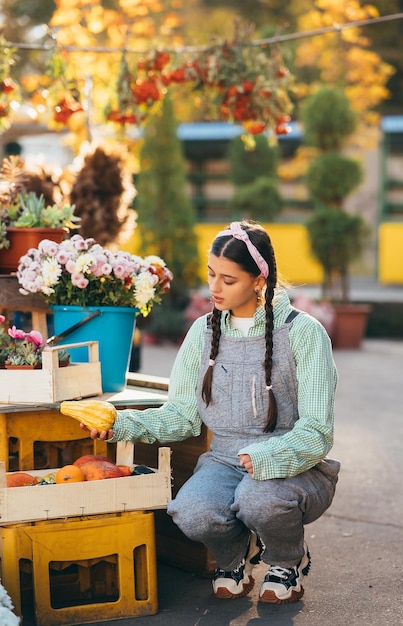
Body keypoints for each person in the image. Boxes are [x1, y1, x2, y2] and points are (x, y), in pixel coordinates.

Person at [86, 220, 340, 604]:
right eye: (211, 275)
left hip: (295, 465)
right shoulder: (202, 332)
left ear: (258, 280)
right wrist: (122, 424)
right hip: (222, 462)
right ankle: (233, 560)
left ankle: (287, 560)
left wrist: (264, 456)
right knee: (190, 512)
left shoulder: (303, 333)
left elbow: (318, 430)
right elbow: (184, 415)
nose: (214, 288)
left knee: (261, 501)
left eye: (228, 279)